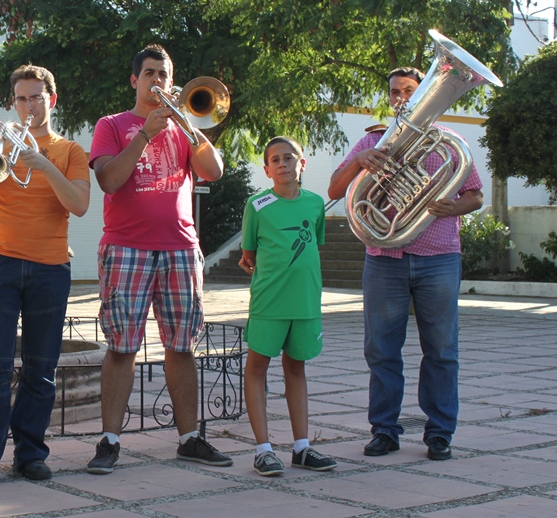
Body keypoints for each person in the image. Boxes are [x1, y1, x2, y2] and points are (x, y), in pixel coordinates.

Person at [86, 44, 231, 474]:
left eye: (164, 75)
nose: (158, 82)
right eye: (149, 74)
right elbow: (109, 180)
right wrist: (146, 134)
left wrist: (190, 127)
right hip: (126, 247)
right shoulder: (112, 125)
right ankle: (110, 441)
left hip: (181, 248)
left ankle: (189, 438)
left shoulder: (184, 124)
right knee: (122, 347)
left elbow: (215, 171)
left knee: (182, 345)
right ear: (135, 80)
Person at [327, 67, 483, 461]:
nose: (400, 98)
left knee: (442, 350)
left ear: (421, 95)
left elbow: (476, 197)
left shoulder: (451, 143)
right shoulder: (373, 139)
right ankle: (384, 430)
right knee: (380, 350)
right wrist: (360, 160)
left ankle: (440, 434)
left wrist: (454, 206)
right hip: (384, 258)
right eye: (395, 92)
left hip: (438, 258)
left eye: (408, 92)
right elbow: (334, 188)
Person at [0, 65, 91, 487]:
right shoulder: (3, 147)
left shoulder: (70, 150)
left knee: (41, 368)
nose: (29, 105)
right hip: (0, 262)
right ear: (12, 103)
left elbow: (79, 205)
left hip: (50, 266)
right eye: (21, 99)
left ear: (51, 100)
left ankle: (30, 454)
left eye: (36, 97)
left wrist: (43, 164)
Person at [238, 137, 337, 476]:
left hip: (306, 302)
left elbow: (314, 247)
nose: (282, 164)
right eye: (275, 160)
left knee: (297, 369)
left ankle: (302, 447)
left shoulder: (314, 203)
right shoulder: (257, 204)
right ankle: (263, 449)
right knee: (257, 369)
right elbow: (248, 255)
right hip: (269, 303)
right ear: (267, 169)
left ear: (302, 163)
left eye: (288, 158)